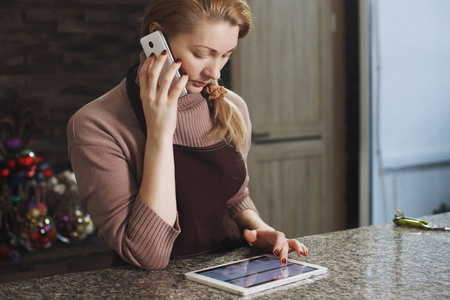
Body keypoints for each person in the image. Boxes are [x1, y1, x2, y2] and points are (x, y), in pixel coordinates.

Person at [67, 0, 308, 270]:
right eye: (202, 53)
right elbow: (148, 255)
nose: (215, 72)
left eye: (226, 55)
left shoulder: (232, 108)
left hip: (233, 276)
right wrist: (159, 131)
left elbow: (234, 197)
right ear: (156, 37)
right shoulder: (95, 126)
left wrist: (261, 229)